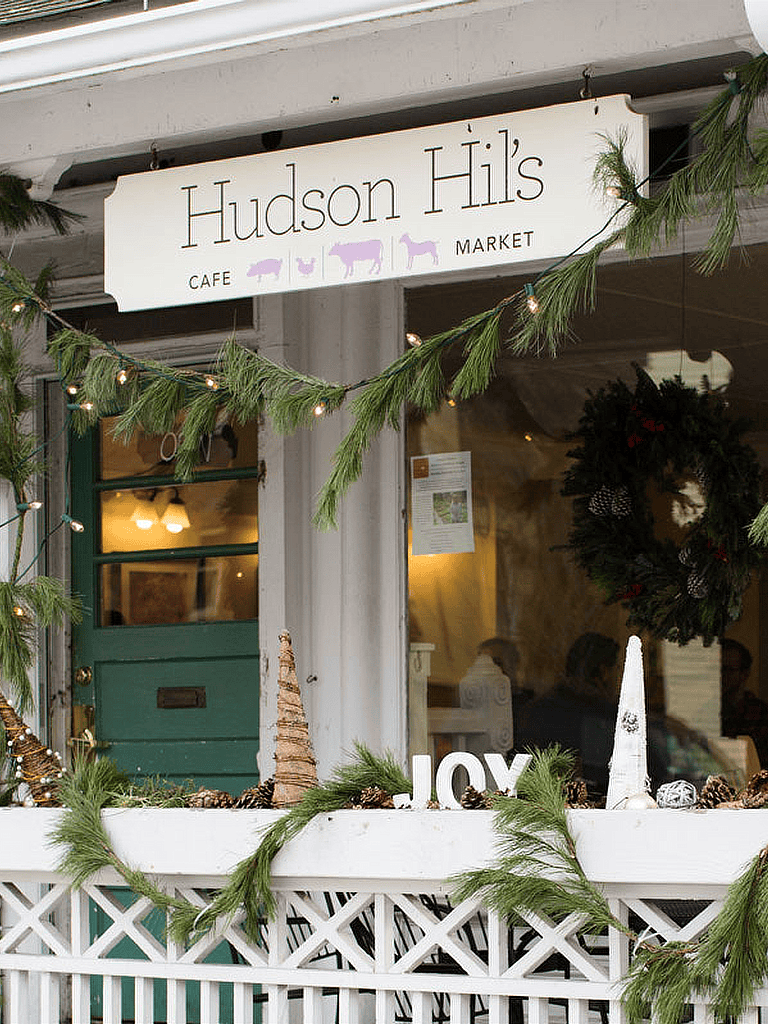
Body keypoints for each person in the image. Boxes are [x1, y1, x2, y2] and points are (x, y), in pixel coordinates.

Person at [720, 638, 768, 767]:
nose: (720, 676)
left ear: (744, 674)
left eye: (727, 670)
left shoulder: (761, 716)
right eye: (716, 669)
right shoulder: (706, 714)